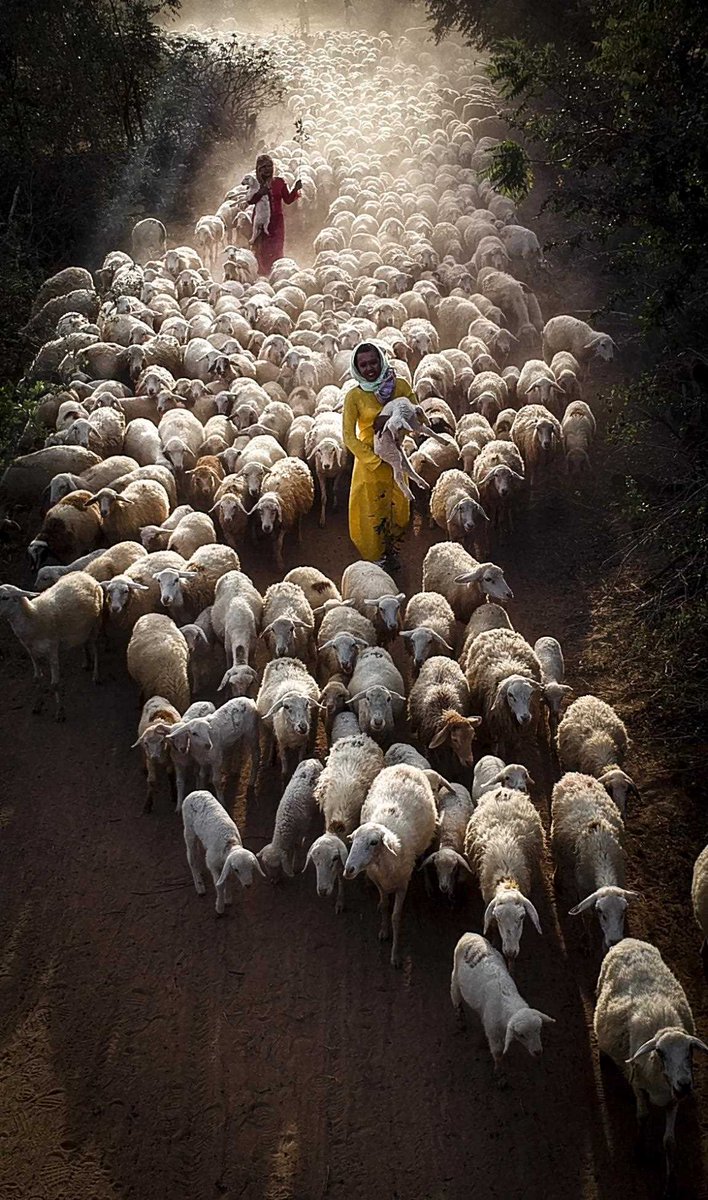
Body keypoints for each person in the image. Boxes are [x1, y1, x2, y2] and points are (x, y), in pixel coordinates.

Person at [342, 341, 417, 568]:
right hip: (369, 463)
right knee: (372, 511)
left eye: (373, 362)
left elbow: (416, 417)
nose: (369, 368)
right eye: (363, 365)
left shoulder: (400, 386)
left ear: (382, 361)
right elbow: (348, 436)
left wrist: (392, 418)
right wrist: (373, 459)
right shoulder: (354, 396)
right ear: (357, 368)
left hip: (395, 456)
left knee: (398, 508)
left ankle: (391, 551)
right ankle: (376, 560)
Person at [247, 154, 301, 277]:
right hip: (261, 219)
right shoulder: (255, 185)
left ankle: (276, 274)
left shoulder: (279, 182)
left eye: (270, 166)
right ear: (258, 169)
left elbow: (287, 199)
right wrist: (260, 193)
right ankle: (261, 275)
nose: (267, 170)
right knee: (261, 247)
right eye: (264, 167)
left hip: (277, 221)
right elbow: (250, 201)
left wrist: (295, 189)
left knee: (276, 247)